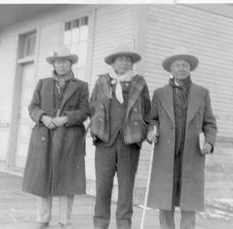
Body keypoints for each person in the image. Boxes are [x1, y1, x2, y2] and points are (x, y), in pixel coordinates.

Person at [146, 47, 218, 229]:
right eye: (177, 65)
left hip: (192, 155)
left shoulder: (202, 93)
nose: (181, 68)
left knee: (189, 203)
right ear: (170, 70)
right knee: (165, 201)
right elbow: (152, 119)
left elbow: (210, 123)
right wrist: (151, 131)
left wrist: (209, 142)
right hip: (165, 155)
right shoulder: (159, 94)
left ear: (190, 68)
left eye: (184, 65)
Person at [22, 46, 89, 229]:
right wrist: (43, 117)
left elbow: (84, 112)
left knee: (67, 180)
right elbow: (32, 107)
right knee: (43, 177)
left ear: (71, 63)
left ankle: (65, 221)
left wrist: (65, 119)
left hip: (70, 138)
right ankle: (42, 219)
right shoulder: (43, 83)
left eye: (64, 61)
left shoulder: (81, 86)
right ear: (54, 64)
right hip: (45, 136)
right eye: (57, 61)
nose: (61, 65)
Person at [89, 43, 151, 229]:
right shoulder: (101, 82)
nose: (124, 63)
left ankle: (124, 224)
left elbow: (148, 111)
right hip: (104, 141)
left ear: (132, 63)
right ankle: (100, 223)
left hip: (129, 143)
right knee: (103, 187)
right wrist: (96, 129)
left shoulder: (139, 82)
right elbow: (92, 107)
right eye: (120, 59)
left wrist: (145, 131)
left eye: (128, 60)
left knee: (126, 189)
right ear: (113, 62)